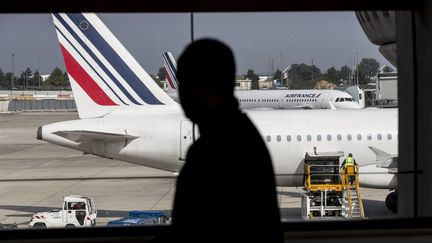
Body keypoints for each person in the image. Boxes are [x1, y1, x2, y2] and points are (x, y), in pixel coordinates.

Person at [170, 39, 283, 243]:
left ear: (199, 88)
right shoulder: (240, 136)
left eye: (184, 84)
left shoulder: (215, 151)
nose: (181, 95)